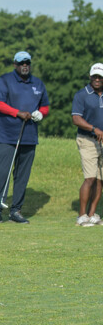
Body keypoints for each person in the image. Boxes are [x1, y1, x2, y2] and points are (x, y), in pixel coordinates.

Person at [0, 51, 50, 224]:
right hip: (6, 136)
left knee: (22, 176)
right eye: (21, 63)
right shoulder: (5, 80)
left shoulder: (38, 83)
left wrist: (40, 114)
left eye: (27, 63)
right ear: (15, 64)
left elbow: (45, 106)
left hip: (29, 136)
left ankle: (16, 211)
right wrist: (17, 113)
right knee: (3, 173)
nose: (24, 66)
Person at [71, 63, 103, 227]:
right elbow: (76, 119)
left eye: (100, 77)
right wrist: (93, 129)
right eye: (95, 76)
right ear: (90, 77)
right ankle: (82, 216)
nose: (97, 79)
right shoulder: (82, 95)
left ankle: (92, 215)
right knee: (90, 178)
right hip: (87, 140)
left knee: (100, 179)